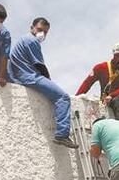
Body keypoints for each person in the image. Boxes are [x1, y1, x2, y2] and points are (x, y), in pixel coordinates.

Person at [8, 17, 77, 148]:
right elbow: (40, 66)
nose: (42, 34)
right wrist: (49, 82)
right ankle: (62, 134)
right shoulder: (32, 40)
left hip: (20, 76)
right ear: (32, 28)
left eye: (45, 32)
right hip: (30, 76)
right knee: (63, 97)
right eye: (40, 30)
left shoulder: (23, 39)